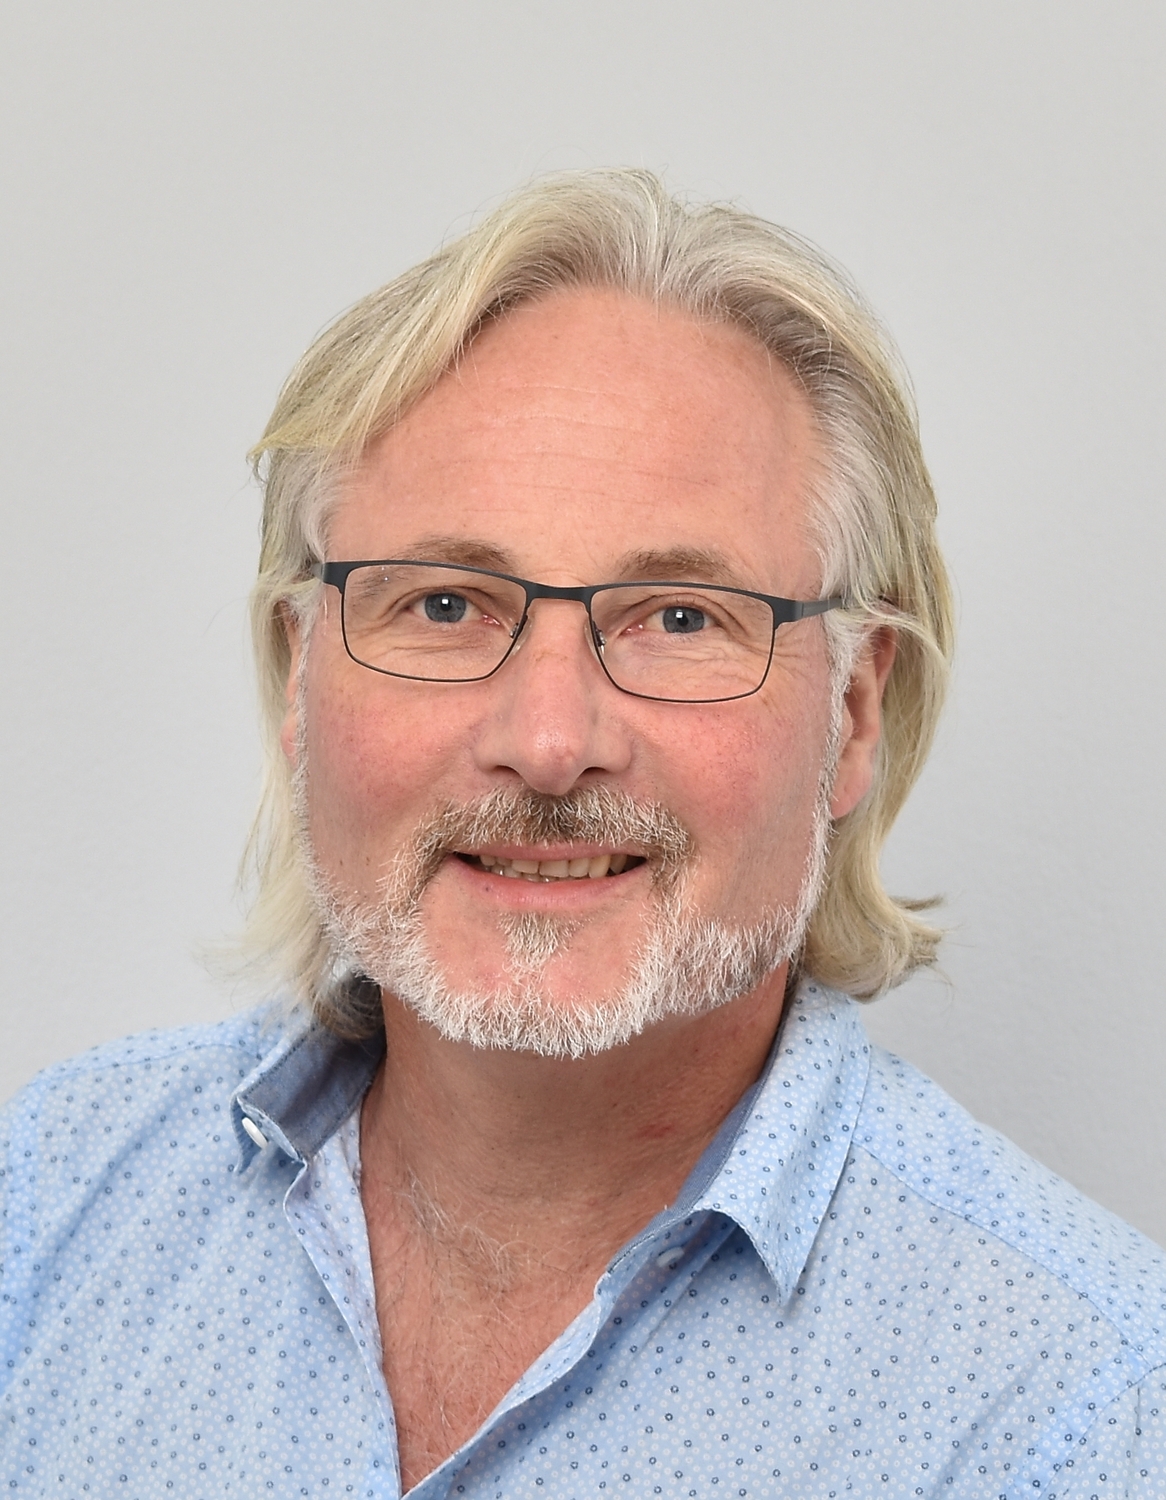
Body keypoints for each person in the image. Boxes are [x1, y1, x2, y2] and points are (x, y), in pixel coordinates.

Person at [2, 169, 1163, 1500]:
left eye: (680, 617)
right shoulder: (50, 1206)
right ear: (301, 681)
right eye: (445, 605)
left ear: (852, 713)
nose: (549, 740)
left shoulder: (1088, 1413)